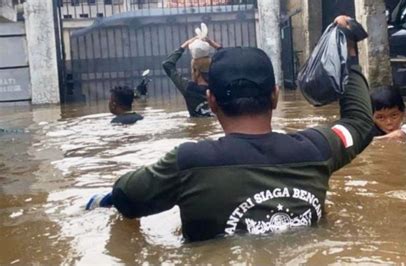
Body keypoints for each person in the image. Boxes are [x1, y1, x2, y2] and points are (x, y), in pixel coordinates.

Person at [86, 16, 374, 242]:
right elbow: (359, 122)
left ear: (211, 101)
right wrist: (348, 53)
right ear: (275, 96)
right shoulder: (319, 148)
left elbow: (125, 197)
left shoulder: (187, 162)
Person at [162, 37, 222, 117]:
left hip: (197, 126)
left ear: (194, 69)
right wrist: (213, 44)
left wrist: (185, 45)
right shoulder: (220, 85)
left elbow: (167, 64)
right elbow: (231, 59)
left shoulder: (187, 88)